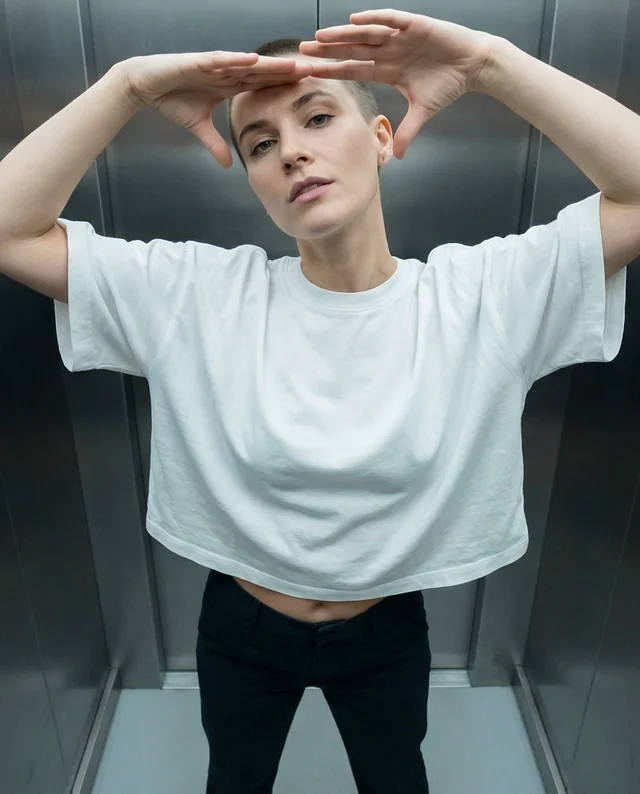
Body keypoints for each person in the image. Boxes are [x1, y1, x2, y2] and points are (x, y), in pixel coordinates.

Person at [0, 8, 636, 794]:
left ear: (379, 136)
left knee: (395, 781)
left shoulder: (480, 298)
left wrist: (489, 62)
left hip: (384, 630)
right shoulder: (199, 296)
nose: (291, 149)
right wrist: (125, 85)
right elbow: (9, 231)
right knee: (234, 782)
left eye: (318, 116)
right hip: (240, 626)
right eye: (260, 144)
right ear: (256, 181)